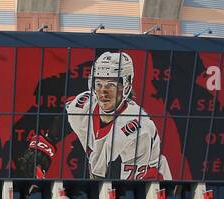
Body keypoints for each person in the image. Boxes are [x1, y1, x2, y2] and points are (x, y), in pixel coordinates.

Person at [20, 51, 169, 180]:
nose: (103, 91)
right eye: (99, 84)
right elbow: (59, 126)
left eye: (111, 84)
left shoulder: (139, 130)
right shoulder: (84, 105)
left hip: (155, 193)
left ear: (126, 86)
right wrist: (43, 148)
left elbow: (126, 191)